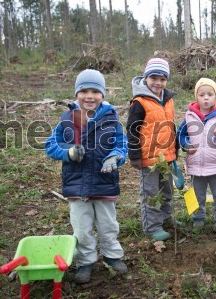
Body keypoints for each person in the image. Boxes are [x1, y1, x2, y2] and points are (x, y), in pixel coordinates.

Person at [45, 69, 128, 284]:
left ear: (103, 94)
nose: (89, 96)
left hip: (104, 183)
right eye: (84, 91)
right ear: (76, 94)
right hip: (77, 185)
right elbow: (50, 146)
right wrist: (68, 152)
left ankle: (112, 255)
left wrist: (115, 157)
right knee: (81, 228)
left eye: (95, 91)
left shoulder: (111, 119)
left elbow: (122, 145)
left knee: (108, 224)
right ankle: (85, 261)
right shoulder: (66, 120)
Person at [126, 58, 179, 241]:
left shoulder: (168, 99)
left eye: (162, 79)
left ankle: (166, 218)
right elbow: (132, 130)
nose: (158, 82)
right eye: (154, 78)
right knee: (150, 192)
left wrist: (175, 151)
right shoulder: (139, 102)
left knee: (167, 190)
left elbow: (171, 126)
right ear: (146, 78)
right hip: (147, 158)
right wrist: (134, 155)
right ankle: (152, 226)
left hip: (166, 157)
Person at [177, 78, 216, 233]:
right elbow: (181, 135)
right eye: (202, 95)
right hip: (196, 165)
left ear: (215, 96)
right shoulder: (189, 117)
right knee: (198, 194)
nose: (206, 97)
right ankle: (198, 217)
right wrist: (186, 145)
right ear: (197, 97)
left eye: (210, 94)